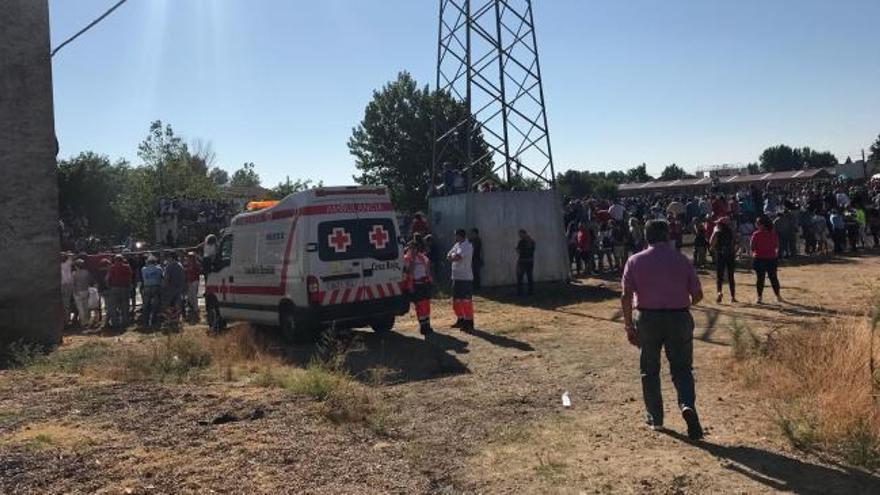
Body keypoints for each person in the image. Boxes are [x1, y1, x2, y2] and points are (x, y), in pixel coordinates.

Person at [621, 219, 704, 440]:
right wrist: (679, 302)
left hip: (647, 318)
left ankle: (656, 418)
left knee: (649, 369)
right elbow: (697, 295)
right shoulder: (682, 260)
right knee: (682, 368)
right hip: (678, 317)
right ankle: (687, 405)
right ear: (667, 236)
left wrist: (629, 325)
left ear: (646, 237)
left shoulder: (634, 261)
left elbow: (626, 296)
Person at [403, 235, 433, 337]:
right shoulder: (407, 259)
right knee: (420, 307)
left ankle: (427, 325)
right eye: (412, 248)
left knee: (426, 305)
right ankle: (423, 327)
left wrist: (429, 281)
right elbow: (408, 271)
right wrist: (412, 261)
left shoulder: (422, 257)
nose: (414, 250)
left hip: (424, 284)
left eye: (416, 248)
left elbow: (428, 268)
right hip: (415, 284)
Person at [447, 229, 475, 331]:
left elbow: (457, 257)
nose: (455, 237)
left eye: (456, 235)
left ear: (460, 236)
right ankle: (461, 320)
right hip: (456, 276)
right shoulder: (457, 245)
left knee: (466, 301)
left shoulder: (467, 245)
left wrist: (453, 257)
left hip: (465, 277)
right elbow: (448, 255)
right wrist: (452, 256)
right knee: (457, 301)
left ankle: (469, 323)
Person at [751, 215, 782, 304]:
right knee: (773, 277)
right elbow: (776, 246)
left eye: (757, 223)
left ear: (762, 225)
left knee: (760, 279)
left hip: (759, 258)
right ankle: (777, 295)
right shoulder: (773, 234)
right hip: (771, 258)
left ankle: (759, 297)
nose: (756, 224)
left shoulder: (756, 234)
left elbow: (752, 247)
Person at [709, 217, 737, 303]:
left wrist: (713, 248)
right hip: (730, 255)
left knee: (719, 276)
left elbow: (711, 242)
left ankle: (719, 292)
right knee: (731, 276)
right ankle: (732, 296)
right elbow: (735, 243)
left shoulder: (717, 232)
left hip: (720, 254)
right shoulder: (731, 232)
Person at [106, 255, 132, 329]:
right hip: (124, 287)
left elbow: (108, 278)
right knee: (125, 306)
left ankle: (115, 323)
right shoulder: (127, 267)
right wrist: (129, 286)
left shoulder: (112, 267)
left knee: (113, 307)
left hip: (114, 288)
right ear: (122, 260)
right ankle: (125, 322)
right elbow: (129, 277)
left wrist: (110, 287)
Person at [141, 256, 163, 328]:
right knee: (155, 305)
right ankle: (154, 320)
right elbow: (161, 277)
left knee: (146, 305)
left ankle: (145, 322)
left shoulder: (143, 269)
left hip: (147, 287)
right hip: (156, 287)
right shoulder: (159, 269)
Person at [71, 259, 92, 328]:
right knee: (86, 307)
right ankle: (87, 320)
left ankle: (83, 322)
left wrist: (74, 291)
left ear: (77, 266)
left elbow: (73, 284)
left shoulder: (74, 274)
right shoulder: (87, 272)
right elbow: (89, 281)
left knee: (80, 308)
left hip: (77, 291)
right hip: (85, 290)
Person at [516, 229, 536, 296]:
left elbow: (518, 251)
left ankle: (520, 292)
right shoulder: (532, 241)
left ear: (523, 234)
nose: (519, 236)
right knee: (529, 277)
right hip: (530, 261)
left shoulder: (521, 242)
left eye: (520, 234)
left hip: (522, 261)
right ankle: (530, 292)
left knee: (520, 277)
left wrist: (518, 250)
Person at [184, 252, 201, 322]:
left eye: (191, 256)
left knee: (194, 296)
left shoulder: (196, 264)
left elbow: (198, 271)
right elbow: (185, 272)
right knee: (189, 296)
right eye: (189, 256)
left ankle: (196, 309)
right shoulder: (186, 264)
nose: (190, 258)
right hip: (189, 281)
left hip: (194, 281)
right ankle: (191, 308)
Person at [60, 253, 74, 326]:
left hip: (63, 285)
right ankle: (67, 320)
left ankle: (66, 321)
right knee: (66, 304)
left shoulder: (58, 265)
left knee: (65, 305)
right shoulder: (68, 263)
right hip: (68, 285)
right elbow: (71, 255)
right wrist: (67, 254)